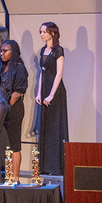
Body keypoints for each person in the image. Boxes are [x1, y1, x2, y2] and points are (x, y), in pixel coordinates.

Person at [36, 21, 68, 175]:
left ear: (53, 33)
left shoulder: (58, 50)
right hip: (45, 90)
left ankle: (56, 167)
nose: (42, 34)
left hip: (55, 92)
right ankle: (45, 166)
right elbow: (42, 72)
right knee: (46, 128)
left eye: (44, 32)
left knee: (55, 127)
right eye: (41, 32)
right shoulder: (43, 50)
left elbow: (59, 74)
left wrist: (51, 94)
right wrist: (39, 93)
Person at [0, 39, 28, 179]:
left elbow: (17, 93)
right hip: (1, 110)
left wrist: (6, 108)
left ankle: (15, 177)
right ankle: (7, 176)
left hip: (13, 110)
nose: (2, 53)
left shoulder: (20, 68)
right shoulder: (1, 67)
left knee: (14, 144)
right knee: (5, 145)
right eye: (1, 51)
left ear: (13, 52)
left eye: (5, 51)